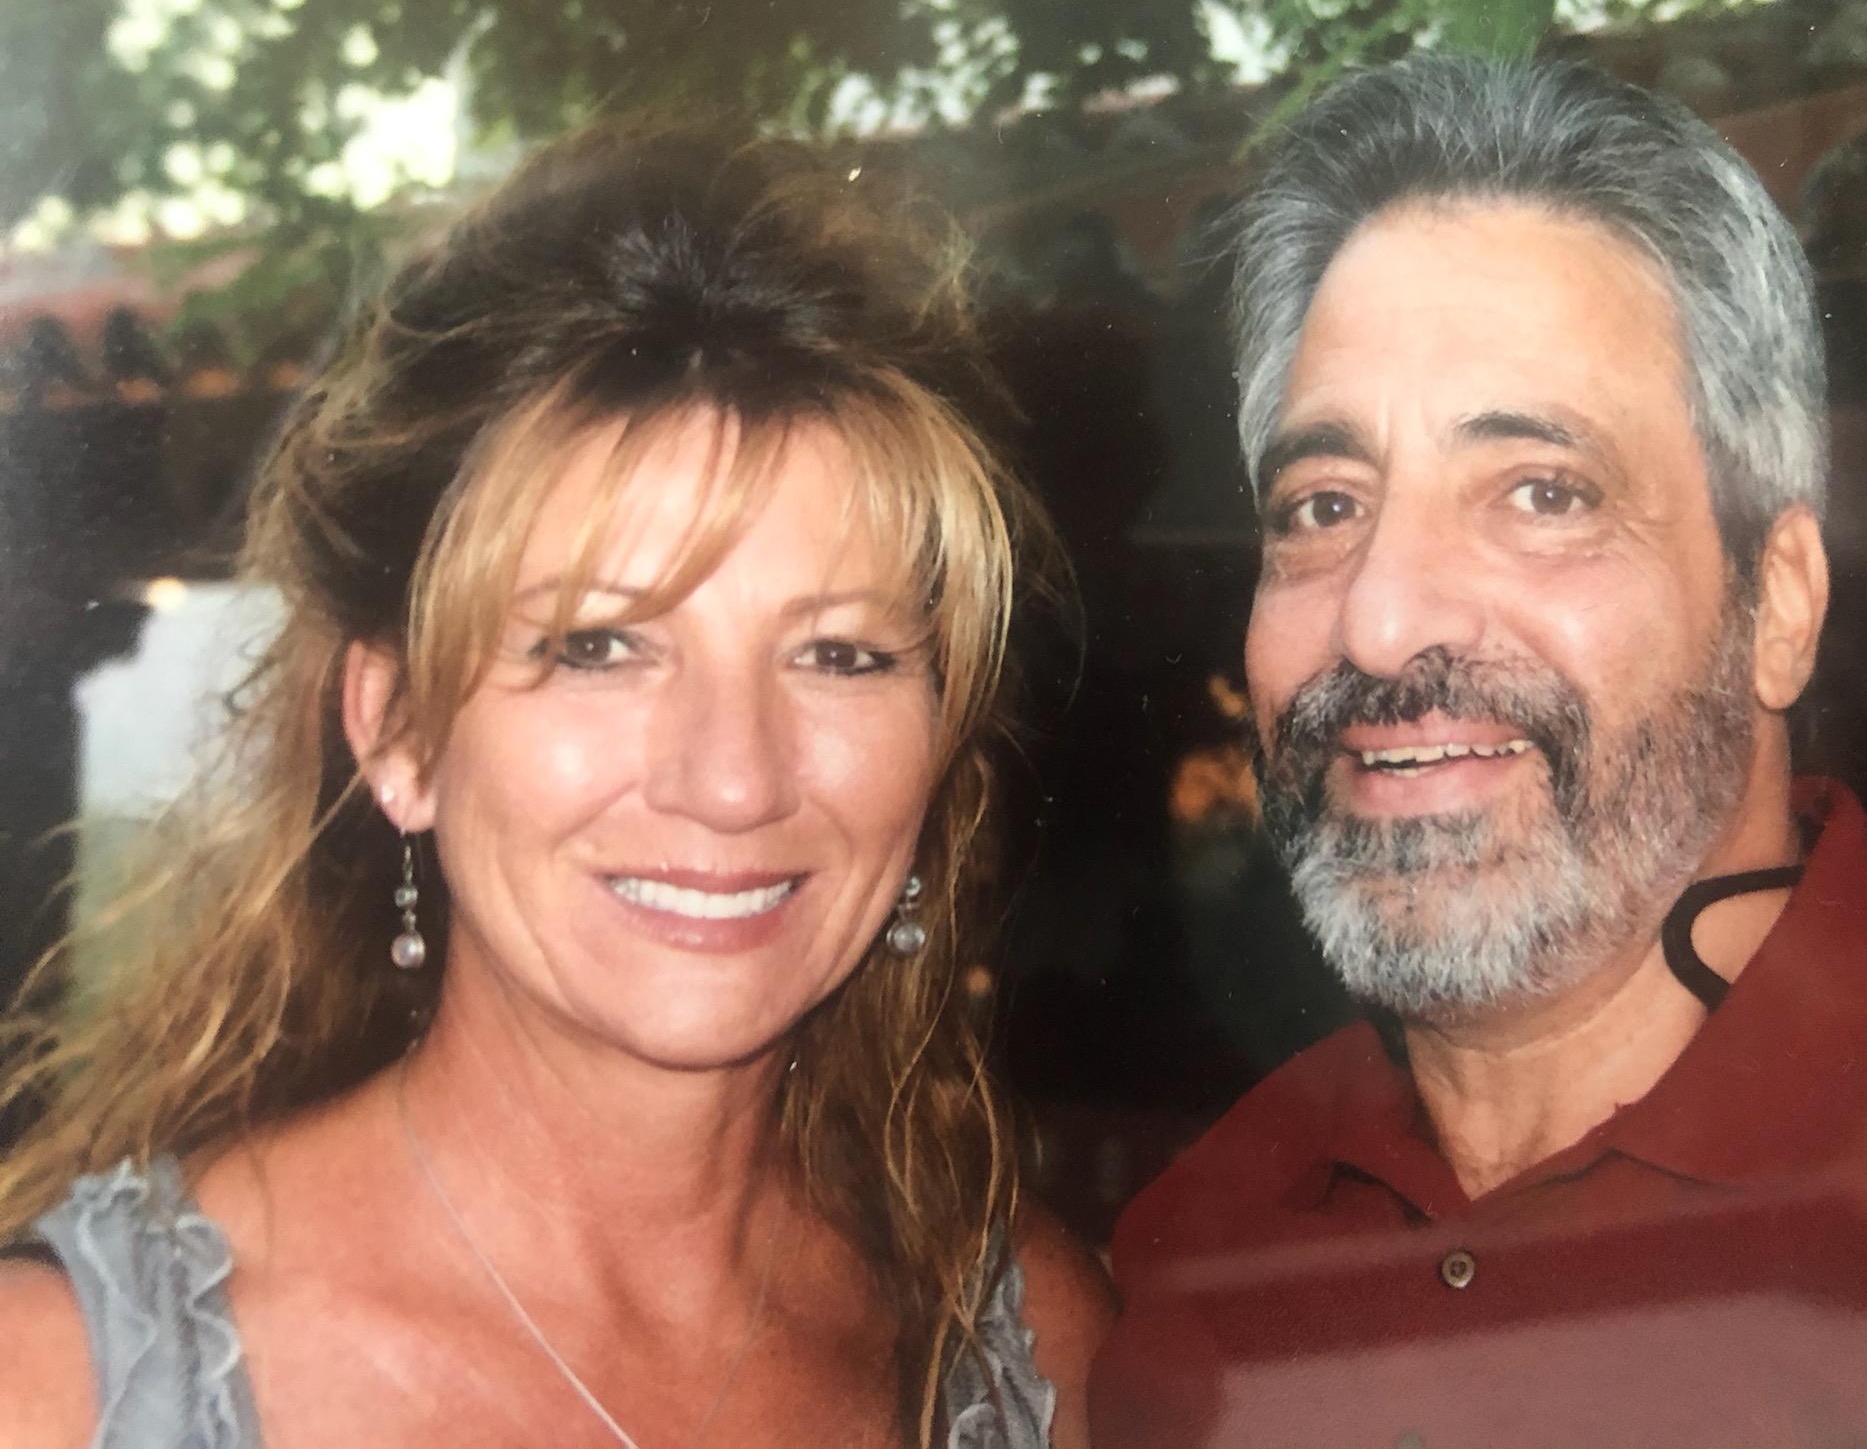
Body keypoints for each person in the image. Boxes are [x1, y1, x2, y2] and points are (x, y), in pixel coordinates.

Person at [0, 122, 1113, 1448]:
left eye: (839, 654)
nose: (734, 781)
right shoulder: (54, 1390)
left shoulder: (1032, 1348)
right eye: (600, 647)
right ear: (400, 731)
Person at [1089, 52, 1867, 1448]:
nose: (1381, 618)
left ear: (1778, 605)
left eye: (1543, 492)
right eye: (1323, 505)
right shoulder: (1198, 1260)